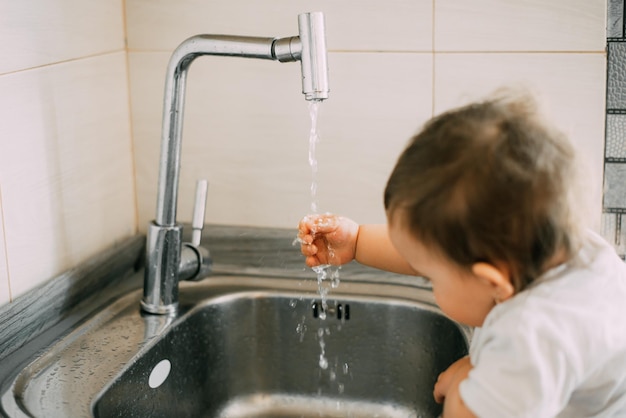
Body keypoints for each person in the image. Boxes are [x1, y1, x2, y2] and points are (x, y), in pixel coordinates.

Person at [297, 92, 626, 417]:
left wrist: (463, 383)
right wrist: (357, 241)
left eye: (430, 277)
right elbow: (427, 252)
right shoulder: (554, 247)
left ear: (491, 280)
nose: (425, 277)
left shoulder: (530, 341)